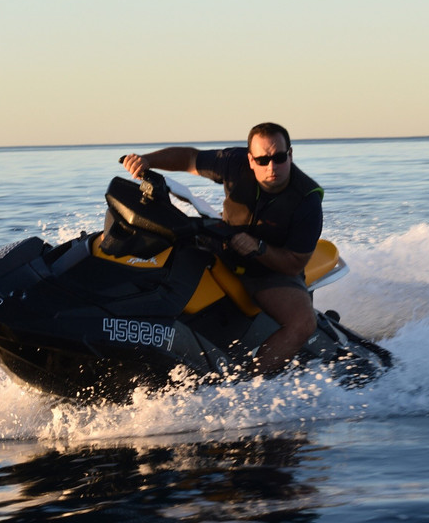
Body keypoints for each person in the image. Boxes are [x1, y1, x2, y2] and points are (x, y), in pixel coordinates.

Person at [121, 123, 324, 376]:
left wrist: (258, 248)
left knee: (303, 323)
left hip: (269, 268)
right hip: (221, 244)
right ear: (250, 159)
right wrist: (146, 160)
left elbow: (294, 263)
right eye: (262, 159)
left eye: (279, 158)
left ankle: (252, 387)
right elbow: (190, 158)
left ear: (290, 155)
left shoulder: (308, 200)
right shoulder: (233, 162)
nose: (271, 166)